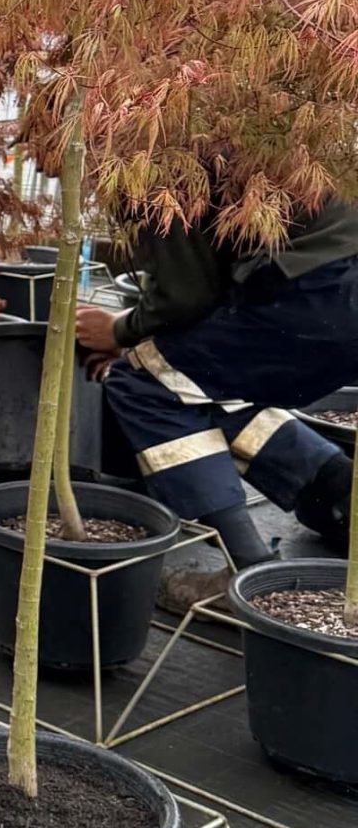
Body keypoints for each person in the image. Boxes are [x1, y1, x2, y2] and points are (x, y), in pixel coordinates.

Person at [77, 190, 357, 608]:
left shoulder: (151, 155)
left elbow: (187, 294)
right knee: (206, 381)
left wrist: (121, 330)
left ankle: (246, 569)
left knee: (147, 384)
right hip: (332, 277)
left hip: (319, 290)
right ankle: (337, 497)